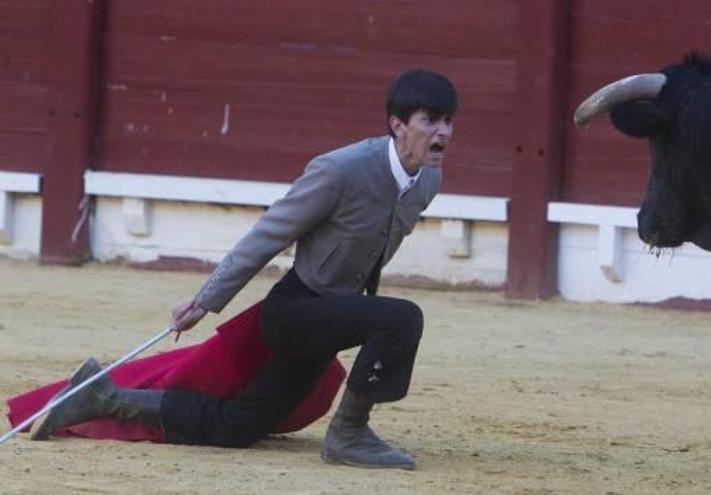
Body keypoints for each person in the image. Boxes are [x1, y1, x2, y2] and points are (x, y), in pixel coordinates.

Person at [30, 69, 458, 470]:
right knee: (401, 318)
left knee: (239, 425)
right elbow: (266, 237)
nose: (443, 132)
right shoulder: (341, 169)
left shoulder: (427, 180)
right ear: (398, 124)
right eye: (431, 121)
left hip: (333, 312)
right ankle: (349, 434)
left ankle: (102, 398)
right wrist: (207, 300)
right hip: (296, 311)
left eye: (448, 122)